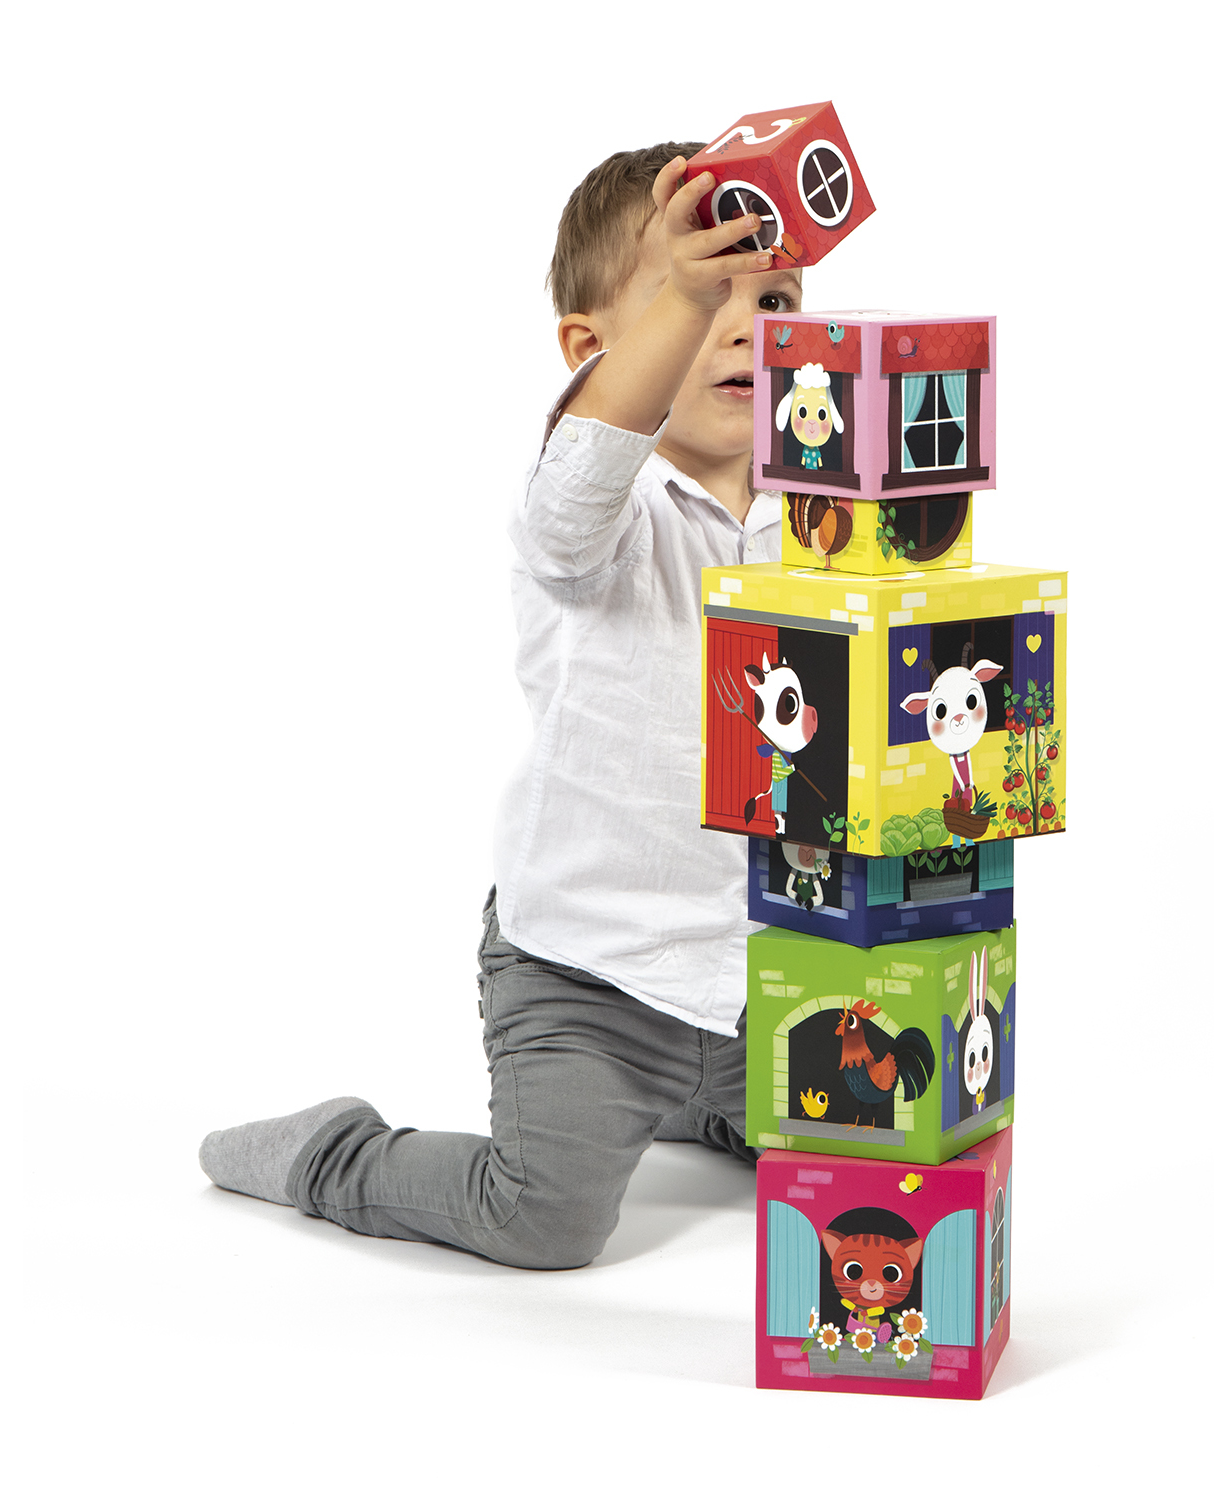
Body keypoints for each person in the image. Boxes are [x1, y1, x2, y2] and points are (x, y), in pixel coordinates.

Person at [199, 142, 804, 1269]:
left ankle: (695, 1099)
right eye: (698, 292)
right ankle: (331, 1155)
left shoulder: (825, 522)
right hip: (592, 969)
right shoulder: (594, 515)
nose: (746, 326)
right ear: (590, 350)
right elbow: (584, 480)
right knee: (543, 1217)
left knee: (878, 1146)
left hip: (766, 967)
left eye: (773, 300)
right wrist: (683, 303)